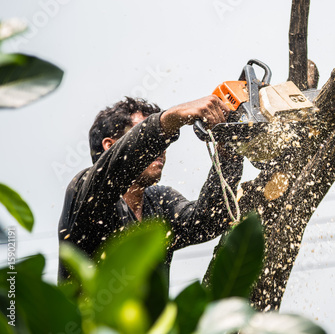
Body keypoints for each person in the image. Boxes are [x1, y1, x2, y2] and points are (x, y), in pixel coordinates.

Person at [57, 96, 243, 282]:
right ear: (110, 146)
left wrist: (229, 152)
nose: (162, 147)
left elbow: (208, 221)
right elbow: (113, 173)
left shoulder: (159, 202)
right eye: (142, 130)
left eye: (163, 141)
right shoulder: (84, 191)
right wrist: (170, 119)